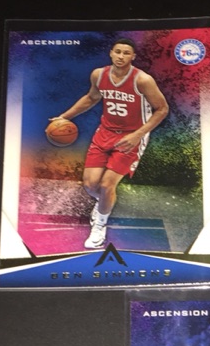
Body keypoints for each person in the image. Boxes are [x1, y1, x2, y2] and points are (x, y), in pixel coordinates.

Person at [51, 38, 169, 249]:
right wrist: (64, 117)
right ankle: (104, 203)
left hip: (131, 137)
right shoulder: (99, 74)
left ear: (133, 57)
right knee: (90, 185)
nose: (121, 56)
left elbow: (162, 109)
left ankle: (100, 226)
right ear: (111, 53)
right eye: (118, 51)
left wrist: (138, 135)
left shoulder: (143, 80)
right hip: (105, 132)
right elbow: (91, 98)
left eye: (126, 53)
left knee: (107, 185)